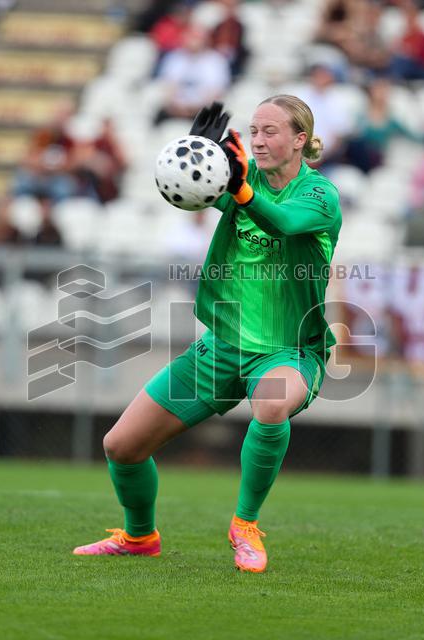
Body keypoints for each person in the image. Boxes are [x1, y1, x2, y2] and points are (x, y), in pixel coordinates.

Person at [73, 97, 342, 573]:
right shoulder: (244, 178)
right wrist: (197, 153)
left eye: (271, 131)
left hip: (290, 349)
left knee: (272, 403)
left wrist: (237, 189)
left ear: (300, 139)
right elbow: (187, 190)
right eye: (254, 130)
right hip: (220, 348)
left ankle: (245, 525)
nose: (258, 140)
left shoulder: (320, 195)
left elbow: (282, 222)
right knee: (122, 447)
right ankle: (139, 537)